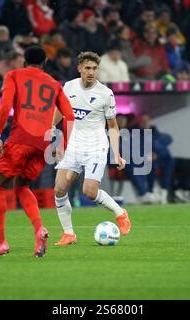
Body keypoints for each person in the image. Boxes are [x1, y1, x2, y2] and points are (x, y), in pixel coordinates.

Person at [0, 46, 74, 258]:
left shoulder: (13, 75)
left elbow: (5, 106)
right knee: (22, 186)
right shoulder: (54, 84)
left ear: (24, 62)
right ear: (45, 64)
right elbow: (70, 116)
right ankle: (39, 229)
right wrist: (65, 146)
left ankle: (0, 243)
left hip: (20, 140)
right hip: (43, 145)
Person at [52, 51, 131, 246]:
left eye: (95, 68)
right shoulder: (68, 87)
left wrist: (117, 154)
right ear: (79, 68)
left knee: (89, 191)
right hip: (73, 146)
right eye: (87, 68)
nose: (91, 72)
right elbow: (60, 112)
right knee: (60, 189)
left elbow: (112, 126)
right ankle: (69, 234)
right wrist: (52, 133)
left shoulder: (105, 94)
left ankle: (120, 213)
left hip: (96, 147)